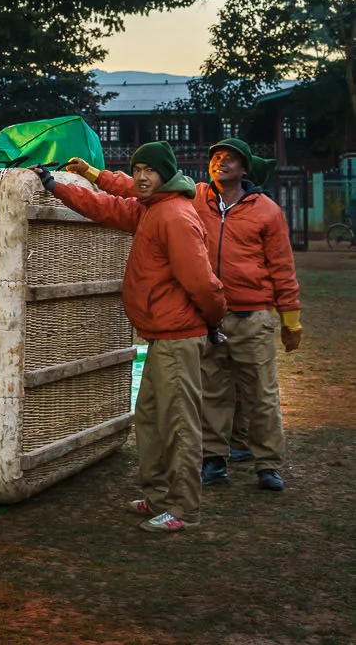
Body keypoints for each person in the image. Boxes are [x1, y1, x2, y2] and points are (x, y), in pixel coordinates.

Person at [67, 139, 301, 492]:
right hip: (205, 312)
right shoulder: (195, 197)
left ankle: (268, 463)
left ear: (245, 168)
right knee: (213, 390)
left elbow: (282, 267)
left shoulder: (267, 211)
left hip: (251, 314)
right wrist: (94, 174)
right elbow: (138, 187)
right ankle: (214, 459)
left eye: (230, 158)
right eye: (216, 157)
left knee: (261, 391)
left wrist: (290, 320)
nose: (220, 162)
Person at [34, 142, 226, 532]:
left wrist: (212, 322)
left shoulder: (174, 216)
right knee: (152, 420)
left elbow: (204, 284)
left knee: (179, 424)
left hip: (178, 337)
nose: (140, 177)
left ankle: (185, 509)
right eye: (137, 169)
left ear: (165, 174)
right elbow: (105, 207)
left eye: (149, 170)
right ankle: (158, 497)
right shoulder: (150, 209)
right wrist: (56, 186)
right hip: (161, 336)